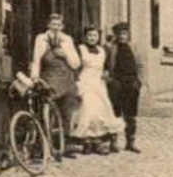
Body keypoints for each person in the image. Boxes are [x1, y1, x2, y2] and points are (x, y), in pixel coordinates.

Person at [29, 12, 80, 147]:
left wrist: (65, 55)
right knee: (47, 110)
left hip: (66, 78)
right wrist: (34, 77)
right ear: (48, 25)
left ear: (62, 26)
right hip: (49, 77)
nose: (56, 27)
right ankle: (45, 144)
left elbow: (76, 63)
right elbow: (36, 60)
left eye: (59, 24)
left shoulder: (67, 39)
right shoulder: (41, 38)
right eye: (53, 24)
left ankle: (66, 144)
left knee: (67, 111)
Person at [73, 25, 126, 153]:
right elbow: (75, 66)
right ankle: (87, 141)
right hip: (85, 82)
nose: (92, 38)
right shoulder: (80, 49)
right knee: (87, 111)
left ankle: (99, 142)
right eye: (89, 35)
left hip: (98, 83)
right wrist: (76, 81)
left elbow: (107, 67)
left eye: (95, 35)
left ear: (98, 37)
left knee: (102, 110)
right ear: (85, 37)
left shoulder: (103, 50)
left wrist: (106, 73)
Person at [107, 22, 142, 153]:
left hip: (132, 83)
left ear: (128, 34)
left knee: (131, 114)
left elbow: (141, 64)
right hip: (117, 83)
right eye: (119, 34)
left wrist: (140, 81)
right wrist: (110, 80)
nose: (122, 36)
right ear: (115, 35)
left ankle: (130, 142)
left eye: (124, 33)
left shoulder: (134, 47)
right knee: (115, 113)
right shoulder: (110, 47)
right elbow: (105, 65)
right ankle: (113, 142)